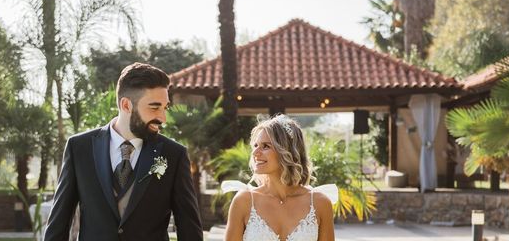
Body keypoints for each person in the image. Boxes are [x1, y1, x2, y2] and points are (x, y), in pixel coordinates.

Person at [44, 62, 203, 241]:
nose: (162, 118)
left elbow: (189, 229)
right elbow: (58, 224)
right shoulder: (79, 148)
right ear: (126, 105)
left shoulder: (174, 154)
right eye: (154, 107)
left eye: (164, 108)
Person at [225, 114, 335, 241]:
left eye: (265, 146)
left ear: (287, 151)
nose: (255, 153)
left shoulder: (319, 203)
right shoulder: (244, 201)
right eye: (255, 145)